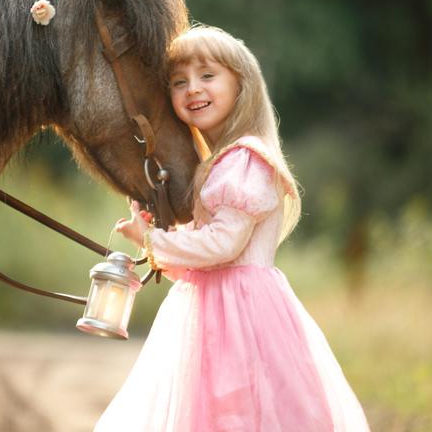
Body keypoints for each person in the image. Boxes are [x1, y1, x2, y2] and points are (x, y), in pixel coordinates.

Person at [95, 26, 370, 431]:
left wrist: (154, 241)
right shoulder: (219, 163)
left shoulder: (246, 159)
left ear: (242, 85)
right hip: (212, 313)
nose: (192, 89)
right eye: (179, 82)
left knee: (243, 410)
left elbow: (224, 244)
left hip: (243, 317)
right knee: (207, 413)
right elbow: (203, 264)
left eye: (208, 76)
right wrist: (158, 247)